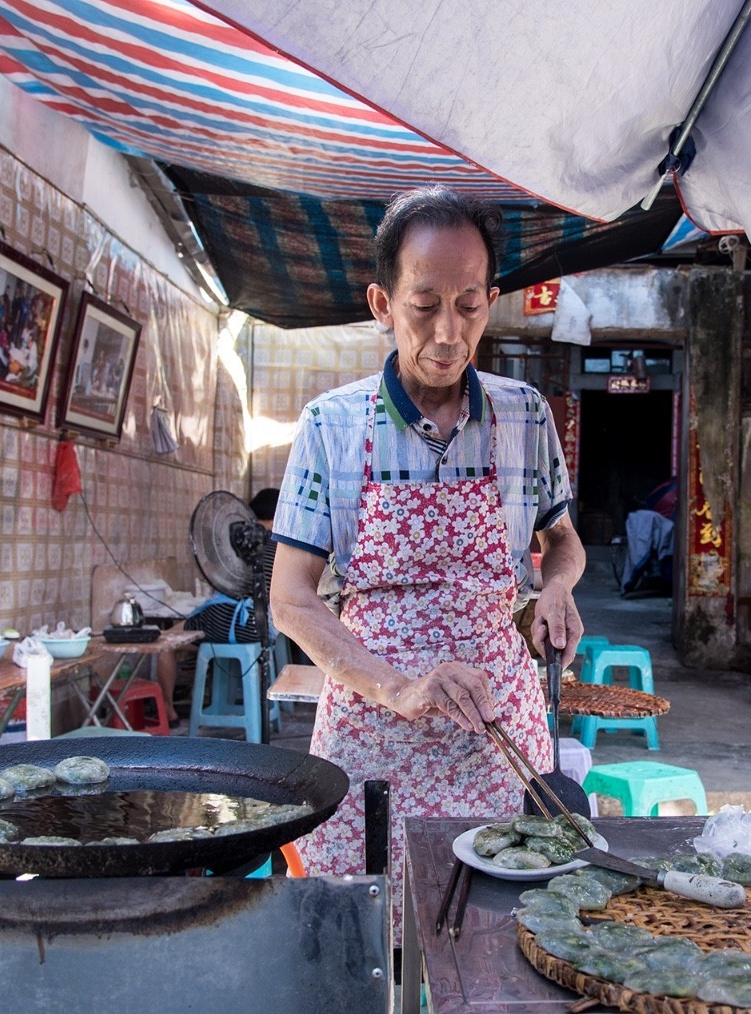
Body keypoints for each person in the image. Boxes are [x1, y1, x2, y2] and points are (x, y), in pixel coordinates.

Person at [270, 186, 584, 933]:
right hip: (372, 727)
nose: (449, 332)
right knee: (370, 942)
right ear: (382, 303)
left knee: (496, 933)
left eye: (469, 305)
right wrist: (401, 687)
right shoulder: (332, 426)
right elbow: (292, 599)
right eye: (424, 305)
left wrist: (557, 587)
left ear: (492, 300)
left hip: (496, 728)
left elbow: (563, 540)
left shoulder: (526, 415)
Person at [172, 488, 281, 723]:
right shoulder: (284, 545)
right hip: (268, 628)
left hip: (238, 621)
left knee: (167, 642)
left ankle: (169, 714)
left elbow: (228, 584)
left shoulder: (244, 540)